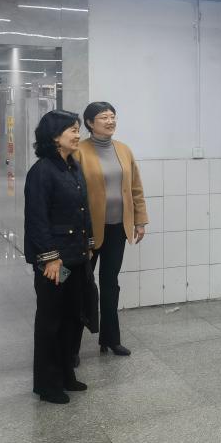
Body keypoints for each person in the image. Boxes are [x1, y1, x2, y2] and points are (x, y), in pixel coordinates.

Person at [24, 110, 93, 404]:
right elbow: (37, 219)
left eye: (77, 129)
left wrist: (89, 243)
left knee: (72, 317)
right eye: (72, 130)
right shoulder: (42, 171)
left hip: (76, 257)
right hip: (56, 263)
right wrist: (50, 258)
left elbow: (83, 209)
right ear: (54, 136)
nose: (77, 135)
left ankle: (66, 374)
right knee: (51, 321)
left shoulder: (72, 166)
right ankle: (47, 384)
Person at [75, 102, 148, 359]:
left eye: (112, 116)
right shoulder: (79, 151)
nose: (110, 121)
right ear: (89, 123)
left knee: (110, 284)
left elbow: (135, 187)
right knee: (82, 286)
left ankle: (111, 338)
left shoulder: (123, 149)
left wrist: (140, 220)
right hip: (88, 233)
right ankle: (71, 347)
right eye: (103, 117)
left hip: (118, 229)